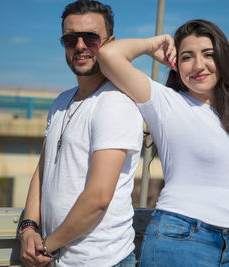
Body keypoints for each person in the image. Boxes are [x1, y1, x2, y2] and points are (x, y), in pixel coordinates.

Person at [98, 19, 229, 266]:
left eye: (208, 54)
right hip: (180, 242)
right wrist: (152, 45)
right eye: (187, 57)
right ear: (176, 64)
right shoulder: (166, 102)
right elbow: (107, 55)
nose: (199, 66)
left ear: (222, 58)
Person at [18, 1, 143, 266]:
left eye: (91, 38)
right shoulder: (61, 102)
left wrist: (47, 247)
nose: (81, 46)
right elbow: (42, 172)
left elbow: (98, 197)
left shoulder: (115, 103)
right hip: (59, 258)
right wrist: (29, 227)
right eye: (70, 39)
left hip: (102, 261)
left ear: (110, 43)